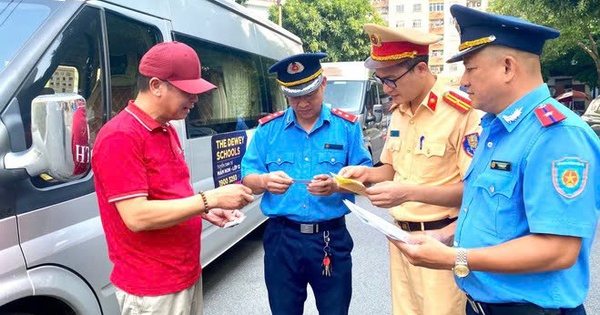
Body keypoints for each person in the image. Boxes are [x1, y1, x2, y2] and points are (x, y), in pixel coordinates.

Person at [391, 5, 600, 315]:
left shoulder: (557, 136)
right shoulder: (496, 129)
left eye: (470, 68)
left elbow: (558, 250)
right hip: (481, 306)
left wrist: (456, 258)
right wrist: (442, 235)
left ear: (507, 68)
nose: (462, 81)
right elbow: (491, 215)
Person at [92, 41, 254, 315]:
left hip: (184, 272)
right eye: (187, 91)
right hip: (153, 288)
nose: (195, 99)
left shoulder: (167, 129)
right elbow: (137, 216)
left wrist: (206, 211)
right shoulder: (120, 136)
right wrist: (209, 198)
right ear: (156, 86)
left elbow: (171, 195)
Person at [338, 24, 482, 315]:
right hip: (401, 241)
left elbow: (474, 191)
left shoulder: (461, 112)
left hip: (443, 240)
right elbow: (391, 168)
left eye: (391, 80)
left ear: (420, 69)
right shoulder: (400, 111)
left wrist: (407, 193)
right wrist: (365, 174)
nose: (387, 89)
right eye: (381, 81)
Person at [241, 52, 372, 315]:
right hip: (282, 238)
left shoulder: (345, 127)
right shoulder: (269, 130)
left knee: (334, 310)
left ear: (323, 84)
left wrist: (337, 185)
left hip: (330, 238)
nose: (302, 104)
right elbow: (248, 179)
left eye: (309, 94)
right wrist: (265, 181)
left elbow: (365, 178)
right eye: (294, 97)